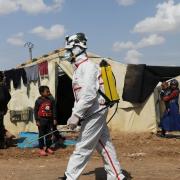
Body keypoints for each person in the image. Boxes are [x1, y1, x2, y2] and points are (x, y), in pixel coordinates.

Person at [59, 33, 126, 180]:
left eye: (69, 50)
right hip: (93, 111)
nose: (67, 53)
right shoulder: (78, 69)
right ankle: (116, 175)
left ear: (78, 48)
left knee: (83, 145)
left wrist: (76, 115)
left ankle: (69, 177)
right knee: (104, 143)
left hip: (95, 111)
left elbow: (89, 95)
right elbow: (80, 97)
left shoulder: (88, 68)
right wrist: (75, 114)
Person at [34, 85, 56, 156]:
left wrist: (54, 118)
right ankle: (41, 149)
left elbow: (53, 110)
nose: (49, 92)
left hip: (49, 120)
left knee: (49, 134)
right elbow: (35, 111)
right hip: (41, 120)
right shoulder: (38, 101)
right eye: (47, 91)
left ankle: (48, 147)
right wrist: (37, 120)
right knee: (41, 135)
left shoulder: (50, 100)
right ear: (41, 93)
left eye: (49, 91)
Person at [0, 71, 11, 149]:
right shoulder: (3, 86)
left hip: (1, 109)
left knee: (0, 126)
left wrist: (4, 107)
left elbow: (7, 97)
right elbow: (7, 97)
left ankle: (1, 143)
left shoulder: (3, 86)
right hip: (1, 109)